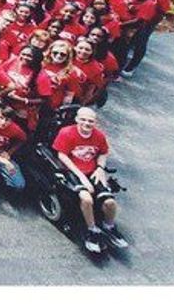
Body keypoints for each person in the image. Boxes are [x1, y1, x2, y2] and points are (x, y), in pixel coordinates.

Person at [53, 106, 128, 253]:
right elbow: (62, 155)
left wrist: (100, 168)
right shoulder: (66, 133)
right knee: (86, 199)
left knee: (110, 202)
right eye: (83, 120)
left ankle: (109, 226)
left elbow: (103, 153)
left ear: (95, 122)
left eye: (90, 121)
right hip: (73, 170)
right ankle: (92, 229)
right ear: (77, 119)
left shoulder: (99, 136)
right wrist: (81, 177)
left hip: (92, 170)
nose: (87, 123)